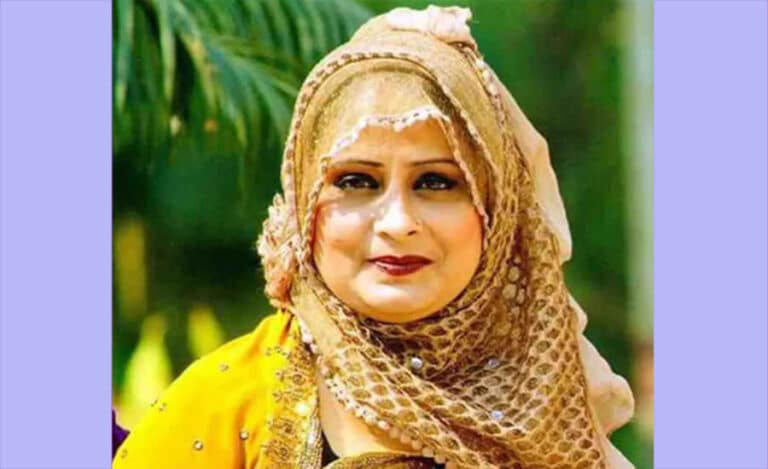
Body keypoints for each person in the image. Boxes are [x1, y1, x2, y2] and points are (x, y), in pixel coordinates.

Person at [113, 5, 634, 468]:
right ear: (304, 205)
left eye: (436, 182)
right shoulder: (221, 407)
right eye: (356, 181)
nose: (397, 222)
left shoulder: (551, 417)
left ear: (496, 212)